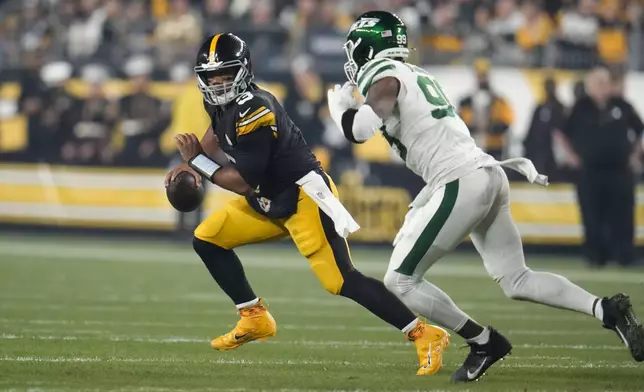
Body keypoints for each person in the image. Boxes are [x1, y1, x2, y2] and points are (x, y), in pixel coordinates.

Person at [328, 11, 644, 383]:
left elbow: (361, 131)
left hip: (460, 179)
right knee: (517, 280)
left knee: (400, 281)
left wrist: (340, 110)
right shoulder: (416, 74)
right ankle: (605, 309)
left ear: (368, 46)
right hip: (487, 173)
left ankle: (483, 342)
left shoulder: (383, 74)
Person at [164, 32, 449, 376]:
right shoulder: (222, 102)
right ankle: (254, 317)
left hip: (301, 197)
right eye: (211, 76)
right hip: (266, 198)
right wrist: (192, 160)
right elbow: (218, 127)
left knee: (341, 281)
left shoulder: (256, 108)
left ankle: (424, 333)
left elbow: (242, 182)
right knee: (207, 238)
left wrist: (197, 162)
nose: (218, 83)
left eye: (225, 74)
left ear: (243, 71)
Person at [563, 67, 644, 268]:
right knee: (591, 213)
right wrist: (571, 156)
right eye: (597, 82)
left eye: (605, 82)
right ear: (590, 85)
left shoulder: (622, 105)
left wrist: (635, 155)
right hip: (590, 170)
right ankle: (595, 256)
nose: (602, 86)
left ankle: (625, 255)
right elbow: (562, 132)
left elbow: (639, 130)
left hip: (619, 169)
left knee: (623, 214)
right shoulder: (580, 107)